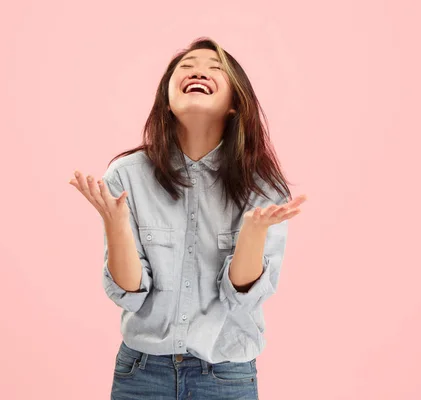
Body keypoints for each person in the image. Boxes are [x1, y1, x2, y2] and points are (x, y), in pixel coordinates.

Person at [69, 37, 307, 399]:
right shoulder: (126, 175)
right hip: (142, 374)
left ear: (234, 104)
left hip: (226, 376)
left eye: (215, 69)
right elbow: (131, 296)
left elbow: (243, 299)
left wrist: (253, 235)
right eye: (186, 66)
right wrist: (115, 224)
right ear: (166, 98)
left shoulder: (262, 186)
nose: (198, 71)